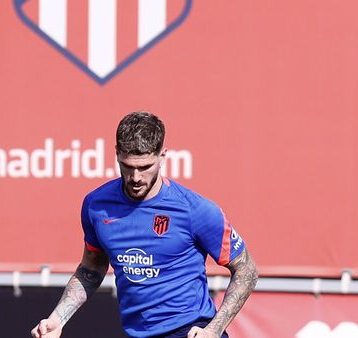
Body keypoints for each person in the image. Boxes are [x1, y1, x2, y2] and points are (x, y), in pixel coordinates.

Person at [31, 111, 258, 338]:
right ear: (117, 155)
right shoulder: (96, 206)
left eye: (145, 167)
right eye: (128, 167)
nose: (136, 177)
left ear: (163, 156)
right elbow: (91, 269)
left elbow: (247, 269)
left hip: (191, 332)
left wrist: (214, 330)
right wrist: (58, 318)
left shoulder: (195, 209)